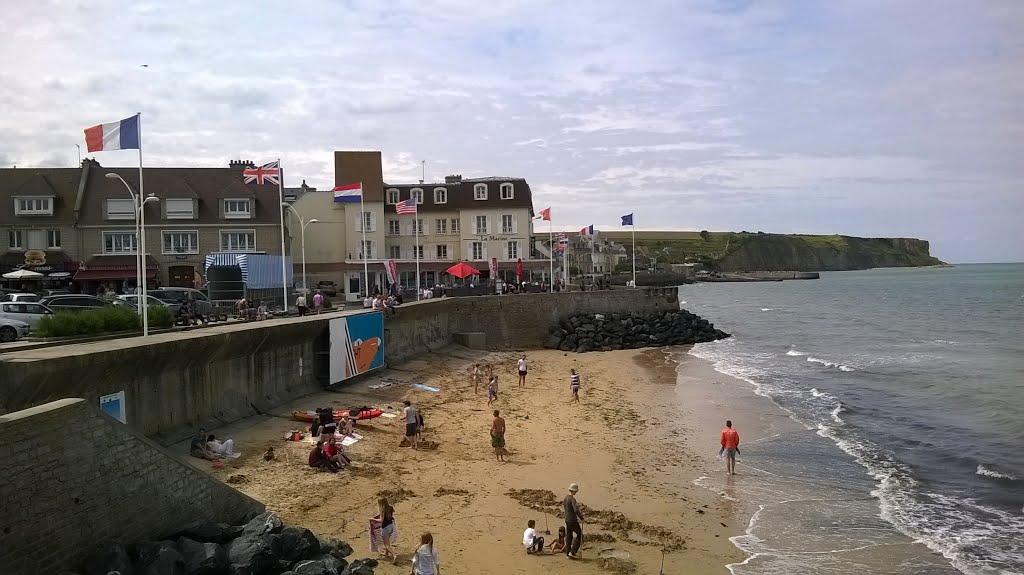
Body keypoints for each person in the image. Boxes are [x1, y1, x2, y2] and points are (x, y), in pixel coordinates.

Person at [369, 497, 398, 562]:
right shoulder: (390, 508)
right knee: (388, 541)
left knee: (386, 544)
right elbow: (387, 516)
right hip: (391, 526)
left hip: (385, 528)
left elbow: (381, 520)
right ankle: (386, 554)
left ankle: (394, 555)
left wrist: (372, 519)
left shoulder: (382, 510)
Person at [563, 483, 585, 559]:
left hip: (567, 519)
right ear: (574, 491)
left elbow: (565, 507)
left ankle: (567, 552)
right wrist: (581, 518)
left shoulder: (566, 498)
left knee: (569, 536)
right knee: (580, 535)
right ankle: (573, 551)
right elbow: (576, 510)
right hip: (572, 520)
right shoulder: (572, 499)